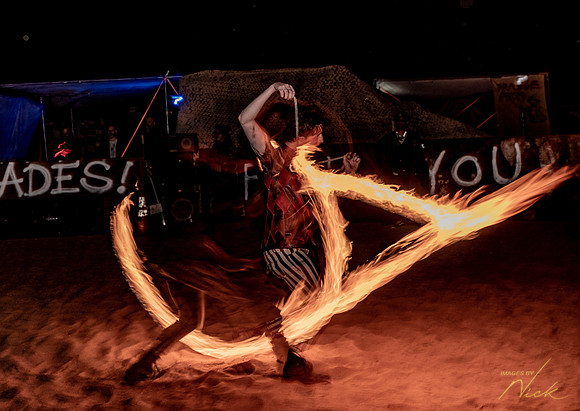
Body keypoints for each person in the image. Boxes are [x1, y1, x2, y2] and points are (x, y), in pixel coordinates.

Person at [238, 82, 360, 383]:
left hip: (304, 250)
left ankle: (260, 345)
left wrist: (348, 175)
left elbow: (326, 210)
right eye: (317, 133)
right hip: (282, 251)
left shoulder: (308, 169)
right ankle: (289, 361)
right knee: (315, 304)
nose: (322, 139)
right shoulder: (275, 159)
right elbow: (245, 119)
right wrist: (272, 88)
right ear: (302, 134)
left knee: (317, 306)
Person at [377, 111, 428, 193]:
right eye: (398, 121)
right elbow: (379, 152)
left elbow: (421, 157)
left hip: (410, 176)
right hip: (393, 176)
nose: (400, 123)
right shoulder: (388, 138)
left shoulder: (414, 138)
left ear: (407, 122)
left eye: (402, 121)